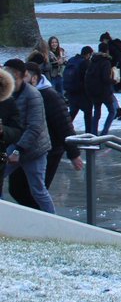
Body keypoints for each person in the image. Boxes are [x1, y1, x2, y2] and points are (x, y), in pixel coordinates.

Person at [6, 60, 82, 209]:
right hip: (19, 145)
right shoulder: (11, 93)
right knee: (18, 190)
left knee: (36, 190)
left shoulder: (45, 95)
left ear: (31, 78)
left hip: (43, 149)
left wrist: (73, 153)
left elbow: (63, 125)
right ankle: (34, 218)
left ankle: (46, 221)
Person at [1, 60, 55, 213]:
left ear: (16, 74)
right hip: (15, 144)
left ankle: (54, 223)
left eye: (6, 70)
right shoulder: (8, 93)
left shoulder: (33, 95)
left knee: (38, 190)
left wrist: (18, 150)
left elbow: (35, 127)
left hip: (34, 149)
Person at [83, 44, 117, 135]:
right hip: (104, 92)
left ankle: (94, 133)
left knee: (97, 113)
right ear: (107, 51)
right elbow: (105, 78)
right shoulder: (106, 62)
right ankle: (104, 132)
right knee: (112, 111)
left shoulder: (92, 61)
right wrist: (113, 81)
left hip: (93, 92)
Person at [62, 46, 92, 127]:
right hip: (82, 93)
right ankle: (89, 135)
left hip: (71, 91)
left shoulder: (72, 60)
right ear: (88, 54)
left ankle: (64, 129)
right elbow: (87, 79)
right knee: (88, 114)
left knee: (72, 113)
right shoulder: (85, 62)